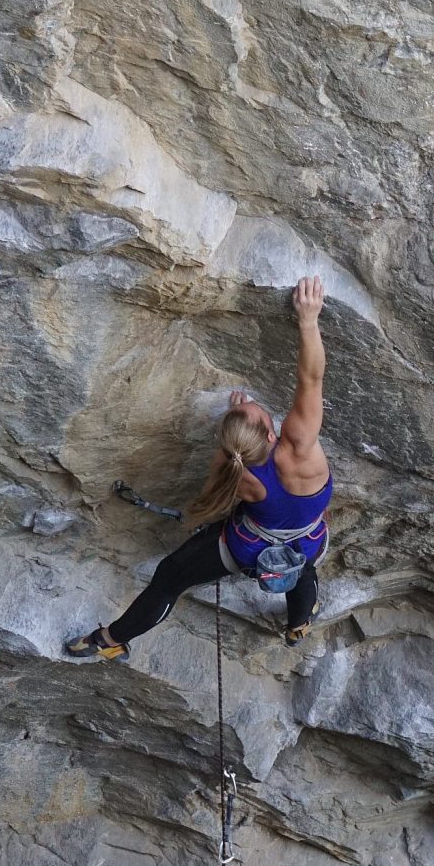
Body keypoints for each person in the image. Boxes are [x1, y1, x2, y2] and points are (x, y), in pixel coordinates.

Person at [66, 275, 333, 662]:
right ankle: (298, 625)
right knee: (302, 568)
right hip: (309, 539)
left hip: (246, 547)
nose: (254, 403)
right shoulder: (300, 448)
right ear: (271, 433)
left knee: (171, 577)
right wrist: (308, 320)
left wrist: (234, 427)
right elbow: (311, 379)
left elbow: (215, 493)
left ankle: (110, 640)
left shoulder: (234, 471)